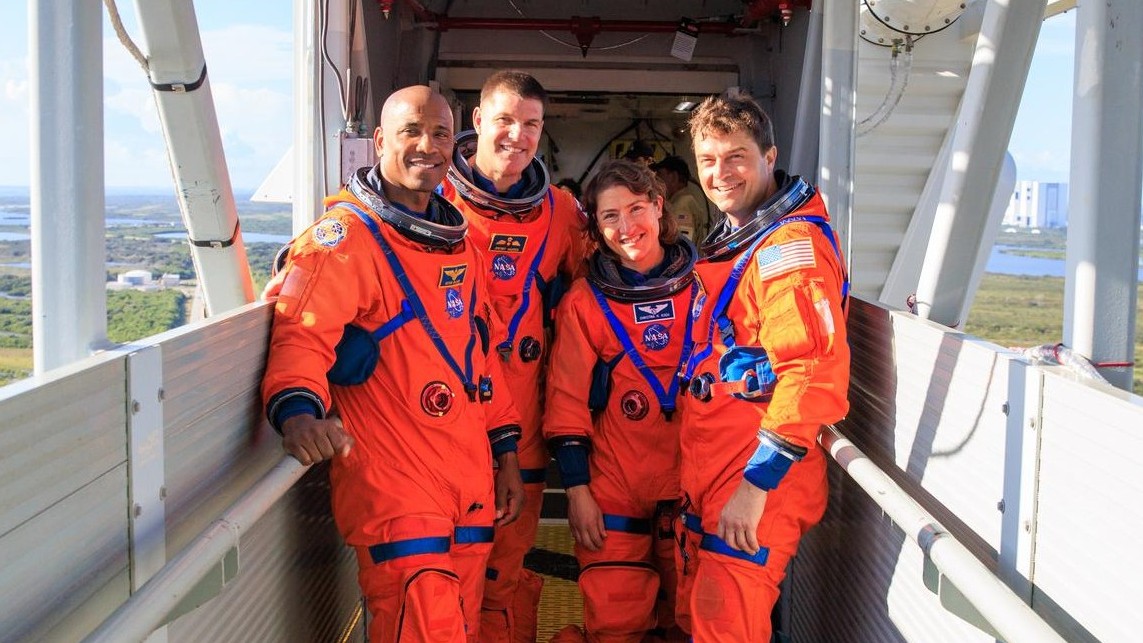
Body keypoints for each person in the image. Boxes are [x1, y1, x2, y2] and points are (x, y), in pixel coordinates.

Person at [261, 85, 524, 643]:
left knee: (465, 627)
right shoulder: (344, 240)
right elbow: (302, 336)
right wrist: (297, 413)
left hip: (469, 483)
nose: (427, 146)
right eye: (412, 131)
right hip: (396, 488)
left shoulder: (461, 246)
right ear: (380, 140)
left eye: (440, 134)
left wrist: (506, 455)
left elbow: (481, 360)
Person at [676, 89, 850, 640]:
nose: (720, 173)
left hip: (756, 476)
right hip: (720, 466)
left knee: (725, 624)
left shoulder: (787, 248)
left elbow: (810, 368)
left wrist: (756, 486)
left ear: (769, 157)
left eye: (736, 157)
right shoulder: (742, 243)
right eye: (708, 160)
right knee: (708, 619)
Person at [439, 70, 586, 643]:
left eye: (530, 124)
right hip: (444, 425)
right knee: (441, 578)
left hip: (520, 429)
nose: (517, 136)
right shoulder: (432, 198)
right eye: (504, 120)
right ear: (477, 121)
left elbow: (601, 294)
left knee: (504, 572)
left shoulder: (561, 213)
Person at [544, 160, 696, 643]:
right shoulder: (585, 302)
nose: (626, 226)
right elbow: (567, 401)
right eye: (610, 216)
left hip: (692, 481)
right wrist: (576, 491)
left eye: (635, 209)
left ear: (658, 206)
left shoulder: (706, 287)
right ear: (596, 224)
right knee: (615, 625)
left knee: (693, 621)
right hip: (615, 483)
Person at [650, 155, 712, 242]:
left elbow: (681, 244)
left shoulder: (682, 205)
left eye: (660, 175)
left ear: (673, 177)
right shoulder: (680, 202)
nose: (656, 181)